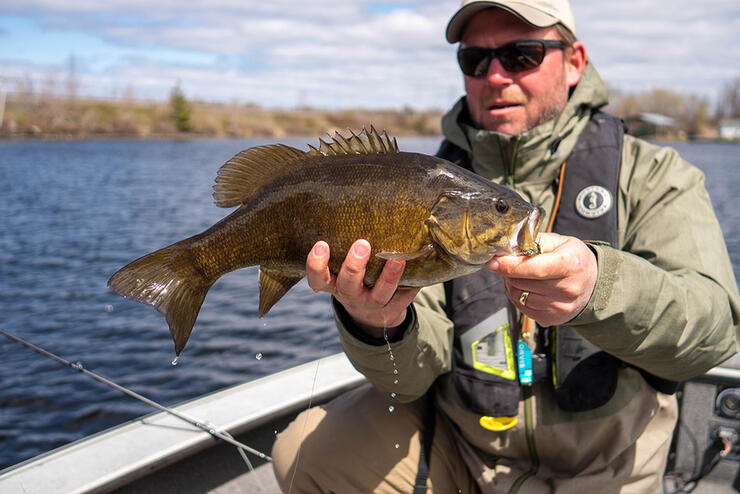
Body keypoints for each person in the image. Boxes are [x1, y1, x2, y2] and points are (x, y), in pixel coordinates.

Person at [271, 1, 740, 492]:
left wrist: (601, 288)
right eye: (475, 59)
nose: (494, 76)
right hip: (466, 456)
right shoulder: (427, 187)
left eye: (522, 55)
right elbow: (408, 381)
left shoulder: (655, 176)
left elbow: (714, 334)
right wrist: (376, 323)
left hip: (609, 469)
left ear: (575, 61)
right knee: (308, 452)